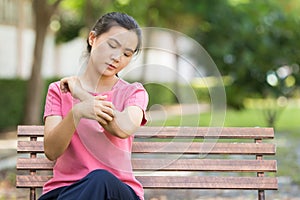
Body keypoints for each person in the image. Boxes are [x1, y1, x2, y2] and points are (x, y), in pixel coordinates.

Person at [38, 12, 148, 200]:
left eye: (127, 54)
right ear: (92, 38)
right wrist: (77, 112)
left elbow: (123, 128)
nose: (117, 57)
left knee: (100, 179)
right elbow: (51, 151)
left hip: (117, 192)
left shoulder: (134, 93)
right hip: (66, 191)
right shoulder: (59, 90)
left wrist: (81, 95)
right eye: (112, 45)